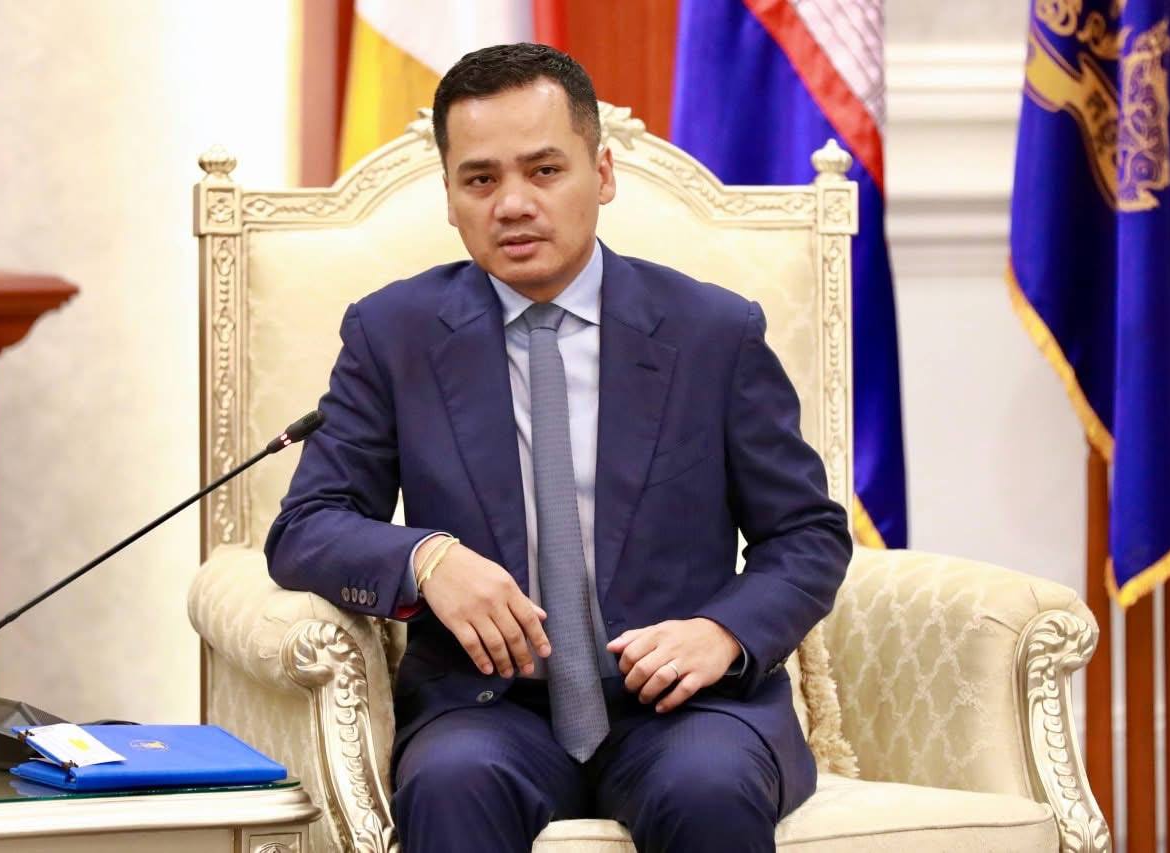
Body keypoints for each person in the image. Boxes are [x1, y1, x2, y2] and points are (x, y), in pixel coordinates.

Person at [265, 42, 852, 853]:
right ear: (450, 197)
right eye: (480, 180)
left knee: (707, 786)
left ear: (601, 174)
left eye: (544, 171)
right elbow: (306, 526)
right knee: (450, 782)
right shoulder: (393, 334)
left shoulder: (713, 332)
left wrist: (722, 632)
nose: (513, 204)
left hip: (686, 708)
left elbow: (807, 534)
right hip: (488, 708)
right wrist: (427, 559)